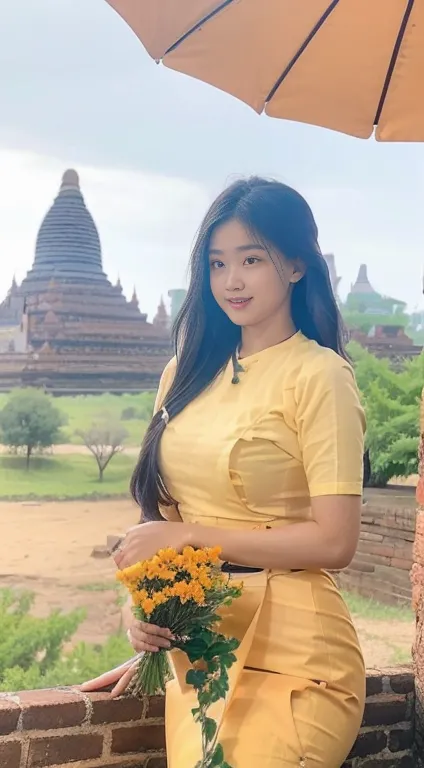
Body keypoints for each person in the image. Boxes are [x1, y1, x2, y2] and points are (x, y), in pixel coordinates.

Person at [83, 177, 366, 767]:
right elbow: (164, 522)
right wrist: (154, 622)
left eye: (251, 260)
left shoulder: (320, 376)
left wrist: (191, 537)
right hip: (203, 649)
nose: (231, 281)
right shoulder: (182, 377)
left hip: (299, 654)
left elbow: (335, 540)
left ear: (294, 266)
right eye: (217, 263)